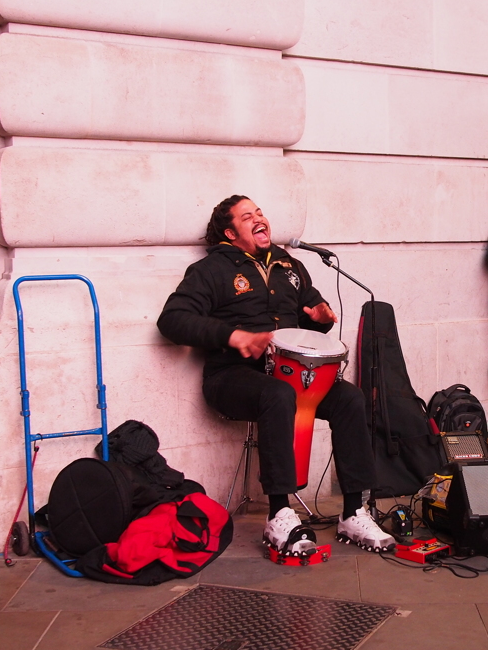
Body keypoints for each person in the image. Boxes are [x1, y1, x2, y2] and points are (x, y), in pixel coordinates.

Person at [157, 196, 395, 556]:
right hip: (232, 376)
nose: (259, 218)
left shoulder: (290, 266)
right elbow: (171, 320)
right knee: (277, 395)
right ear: (229, 232)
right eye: (247, 216)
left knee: (349, 398)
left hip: (294, 374)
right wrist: (233, 336)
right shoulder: (211, 271)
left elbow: (313, 315)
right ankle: (280, 512)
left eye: (260, 213)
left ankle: (352, 511)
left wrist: (322, 317)